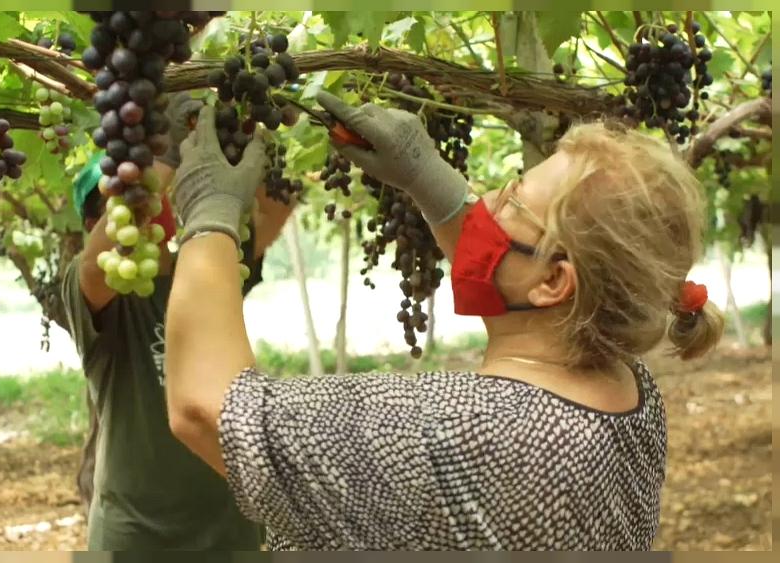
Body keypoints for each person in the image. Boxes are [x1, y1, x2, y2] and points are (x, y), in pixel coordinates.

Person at [163, 94, 725, 550]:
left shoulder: (458, 431)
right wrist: (430, 181)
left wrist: (208, 216)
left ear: (555, 281)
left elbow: (207, 409)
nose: (487, 200)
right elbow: (523, 292)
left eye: (513, 200)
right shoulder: (626, 389)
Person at [61, 94, 294, 550]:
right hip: (137, 538)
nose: (154, 200)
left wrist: (252, 139)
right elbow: (96, 263)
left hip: (234, 529)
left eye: (154, 189)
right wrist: (165, 151)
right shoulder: (94, 295)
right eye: (126, 197)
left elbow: (278, 209)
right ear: (96, 220)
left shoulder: (208, 268)